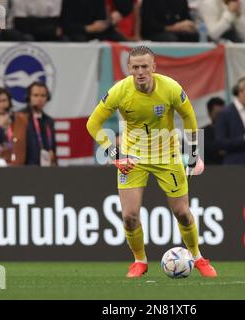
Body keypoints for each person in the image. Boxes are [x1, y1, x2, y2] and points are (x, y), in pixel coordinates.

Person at [86, 46, 217, 278]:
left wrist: (194, 152)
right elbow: (92, 124)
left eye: (144, 66)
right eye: (135, 67)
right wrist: (115, 155)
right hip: (132, 158)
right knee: (129, 216)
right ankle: (140, 261)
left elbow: (188, 116)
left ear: (153, 67)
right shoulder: (119, 91)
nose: (140, 72)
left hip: (167, 156)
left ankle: (197, 257)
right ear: (129, 69)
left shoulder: (170, 88)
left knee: (182, 213)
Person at [19, 82, 57, 166]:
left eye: (43, 96)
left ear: (47, 98)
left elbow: (53, 147)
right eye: (36, 95)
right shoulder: (20, 117)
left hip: (45, 169)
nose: (39, 99)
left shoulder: (49, 121)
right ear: (29, 97)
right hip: (24, 170)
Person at [61, 0, 131, 42]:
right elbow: (65, 25)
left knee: (122, 41)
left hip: (97, 32)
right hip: (77, 32)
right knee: (80, 40)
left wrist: (106, 23)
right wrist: (87, 28)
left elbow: (102, 19)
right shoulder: (68, 1)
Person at [202, 97, 226, 165]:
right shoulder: (201, 134)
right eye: (218, 114)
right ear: (209, 114)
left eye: (223, 114)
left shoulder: (231, 133)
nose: (221, 117)